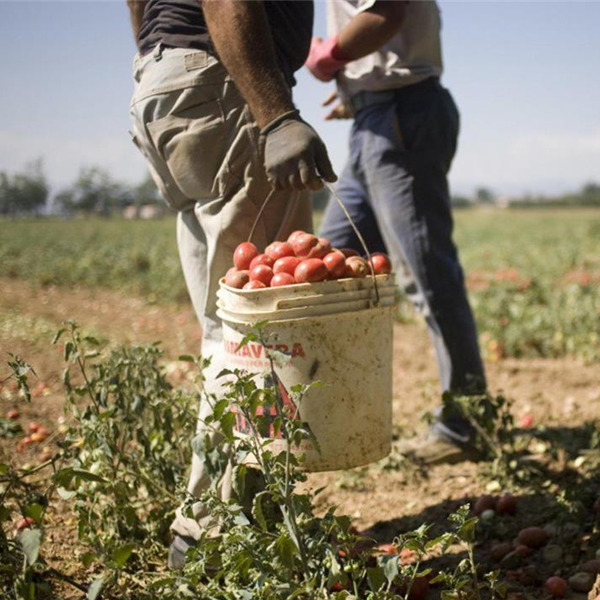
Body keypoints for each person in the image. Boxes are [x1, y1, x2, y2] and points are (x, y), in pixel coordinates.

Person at [126, 0, 336, 568]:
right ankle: (212, 535)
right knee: (256, 330)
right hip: (222, 82)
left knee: (227, 324)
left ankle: (235, 518)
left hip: (166, 83)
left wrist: (158, 59)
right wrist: (276, 114)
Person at [305, 0, 487, 465]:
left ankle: (465, 424)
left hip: (402, 112)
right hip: (375, 116)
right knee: (332, 266)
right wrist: (357, 88)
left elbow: (385, 13)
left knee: (427, 276)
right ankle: (335, 416)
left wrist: (327, 57)